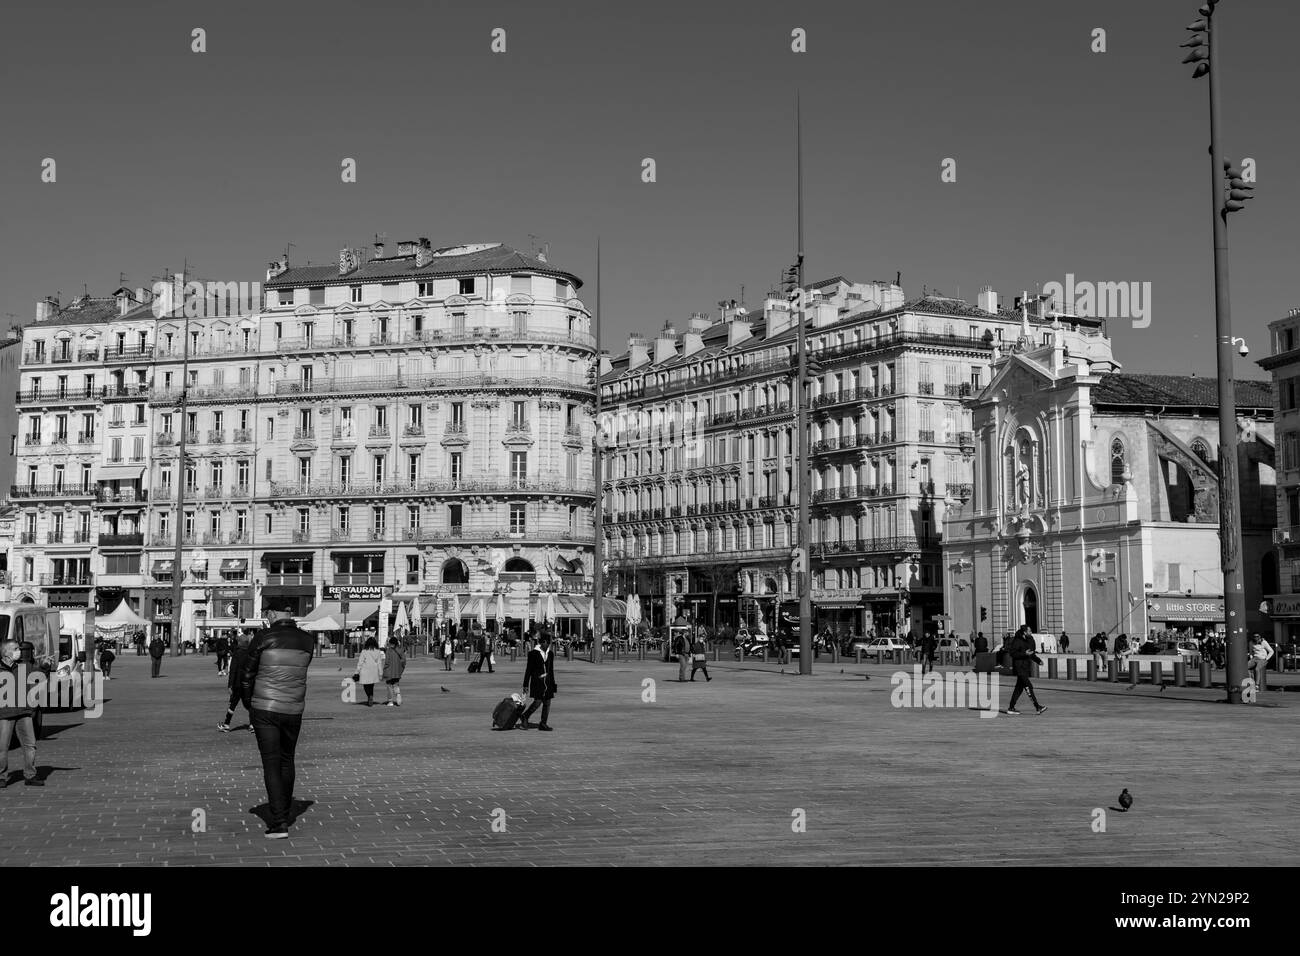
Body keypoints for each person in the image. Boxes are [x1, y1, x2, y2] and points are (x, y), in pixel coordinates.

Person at [240, 609, 314, 838]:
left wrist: (248, 704)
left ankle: (279, 822)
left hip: (265, 707)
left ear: (272, 614)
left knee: (271, 763)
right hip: (294, 708)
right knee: (286, 760)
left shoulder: (263, 637)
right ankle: (286, 811)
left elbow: (247, 675)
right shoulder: (307, 640)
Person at [0, 640, 43, 787]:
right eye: (15, 649)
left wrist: (45, 667)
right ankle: (1, 776)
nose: (19, 651)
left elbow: (39, 676)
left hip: (23, 713)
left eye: (19, 648)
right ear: (6, 652)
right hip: (4, 714)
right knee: (2, 747)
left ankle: (30, 775)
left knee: (30, 745)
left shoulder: (24, 667)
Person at [219, 631, 256, 733]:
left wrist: (230, 685)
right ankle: (253, 725)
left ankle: (226, 724)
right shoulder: (250, 653)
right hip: (248, 683)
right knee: (248, 704)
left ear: (239, 643)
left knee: (233, 704)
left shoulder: (237, 653)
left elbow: (233, 670)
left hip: (237, 684)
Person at [520, 630, 558, 731]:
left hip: (548, 682)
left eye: (549, 643)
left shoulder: (550, 654)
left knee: (547, 702)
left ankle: (543, 723)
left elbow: (551, 669)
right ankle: (525, 716)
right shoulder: (533, 654)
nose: (547, 645)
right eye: (546, 643)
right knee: (537, 701)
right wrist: (525, 684)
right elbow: (528, 670)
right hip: (537, 682)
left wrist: (553, 684)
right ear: (541, 642)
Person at [1006, 625, 1046, 716]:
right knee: (1028, 685)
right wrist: (1024, 654)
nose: (1031, 632)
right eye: (1029, 631)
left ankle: (1011, 708)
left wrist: (1038, 660)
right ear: (1024, 632)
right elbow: (1013, 653)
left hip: (1025, 667)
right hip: (1019, 667)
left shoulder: (1030, 639)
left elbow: (1031, 653)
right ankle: (1037, 707)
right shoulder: (1017, 640)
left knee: (1018, 689)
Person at [353, 637, 384, 706]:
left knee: (365, 686)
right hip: (374, 671)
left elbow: (360, 662)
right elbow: (379, 663)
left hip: (365, 670)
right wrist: (381, 673)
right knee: (371, 686)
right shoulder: (377, 651)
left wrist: (357, 672)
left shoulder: (364, 651)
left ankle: (369, 696)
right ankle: (370, 696)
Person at [383, 637, 406, 706]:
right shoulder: (400, 650)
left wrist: (384, 670)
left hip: (389, 671)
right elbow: (404, 661)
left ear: (390, 643)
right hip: (397, 672)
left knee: (389, 685)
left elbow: (387, 662)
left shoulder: (388, 651)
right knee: (396, 684)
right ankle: (398, 695)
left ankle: (390, 701)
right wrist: (400, 668)